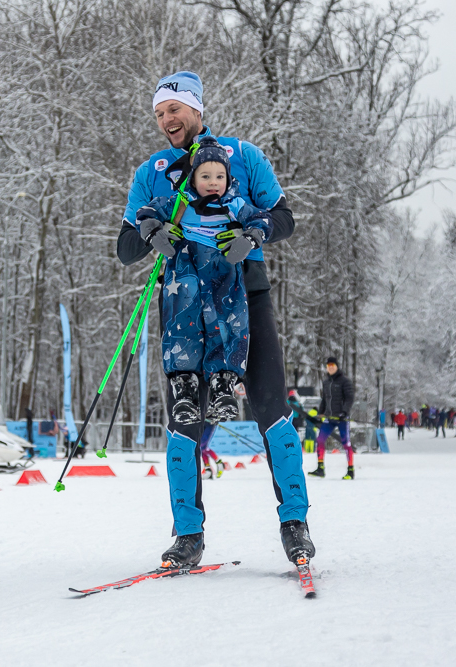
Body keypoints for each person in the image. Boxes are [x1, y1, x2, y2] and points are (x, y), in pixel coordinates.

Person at [117, 71, 313, 568]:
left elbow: (283, 215)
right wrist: (152, 234)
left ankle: (295, 526)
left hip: (245, 296)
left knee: (271, 407)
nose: (167, 120)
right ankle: (188, 536)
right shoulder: (151, 171)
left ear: (197, 108)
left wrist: (256, 234)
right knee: (185, 418)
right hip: (183, 303)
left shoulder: (243, 155)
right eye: (160, 113)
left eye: (174, 110)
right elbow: (124, 248)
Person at [135, 136, 269, 424]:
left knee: (230, 324)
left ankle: (224, 383)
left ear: (228, 178)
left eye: (219, 176)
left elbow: (261, 219)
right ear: (193, 178)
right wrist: (152, 230)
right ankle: (184, 388)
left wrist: (251, 237)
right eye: (205, 175)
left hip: (223, 277)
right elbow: (146, 212)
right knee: (181, 326)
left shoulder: (234, 205)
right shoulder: (179, 203)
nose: (213, 182)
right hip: (184, 276)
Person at [308, 357, 356, 480]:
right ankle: (320, 469)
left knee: (346, 443)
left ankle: (350, 471)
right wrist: (320, 413)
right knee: (320, 440)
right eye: (328, 365)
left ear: (337, 366)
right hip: (329, 418)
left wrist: (344, 412)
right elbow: (325, 400)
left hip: (342, 418)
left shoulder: (345, 381)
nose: (330, 367)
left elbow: (349, 398)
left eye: (332, 365)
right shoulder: (326, 383)